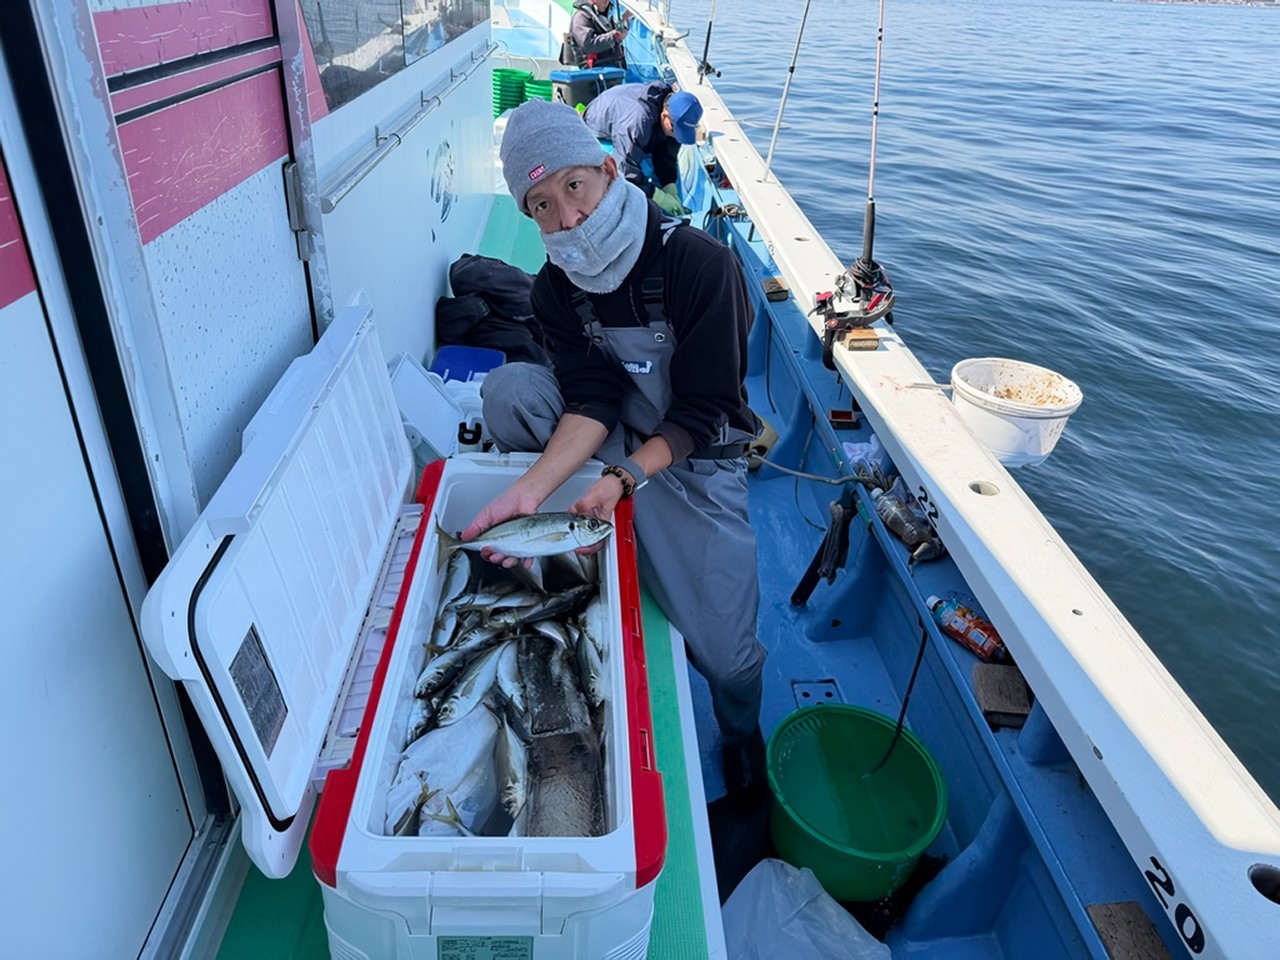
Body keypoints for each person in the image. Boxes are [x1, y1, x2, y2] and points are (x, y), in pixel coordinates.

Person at [470, 100, 766, 794]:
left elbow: (705, 410)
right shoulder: (553, 289)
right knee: (510, 392)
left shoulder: (700, 265)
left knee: (727, 656)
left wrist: (625, 478)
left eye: (574, 186)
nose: (568, 218)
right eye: (542, 206)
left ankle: (742, 733)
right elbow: (591, 396)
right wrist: (530, 493)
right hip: (615, 433)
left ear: (608, 169)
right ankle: (581, 525)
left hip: (692, 453)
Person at [582, 81, 702, 215]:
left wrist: (669, 184)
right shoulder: (637, 122)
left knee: (653, 170)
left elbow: (667, 154)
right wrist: (658, 197)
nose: (676, 136)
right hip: (598, 129)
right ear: (664, 116)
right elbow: (624, 168)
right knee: (622, 177)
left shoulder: (671, 111)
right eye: (675, 131)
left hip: (631, 124)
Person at [567, 0, 630, 69]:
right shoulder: (581, 17)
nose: (607, 1)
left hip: (615, 68)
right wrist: (614, 36)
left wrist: (625, 18)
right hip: (595, 71)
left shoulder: (607, 15)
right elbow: (588, 44)